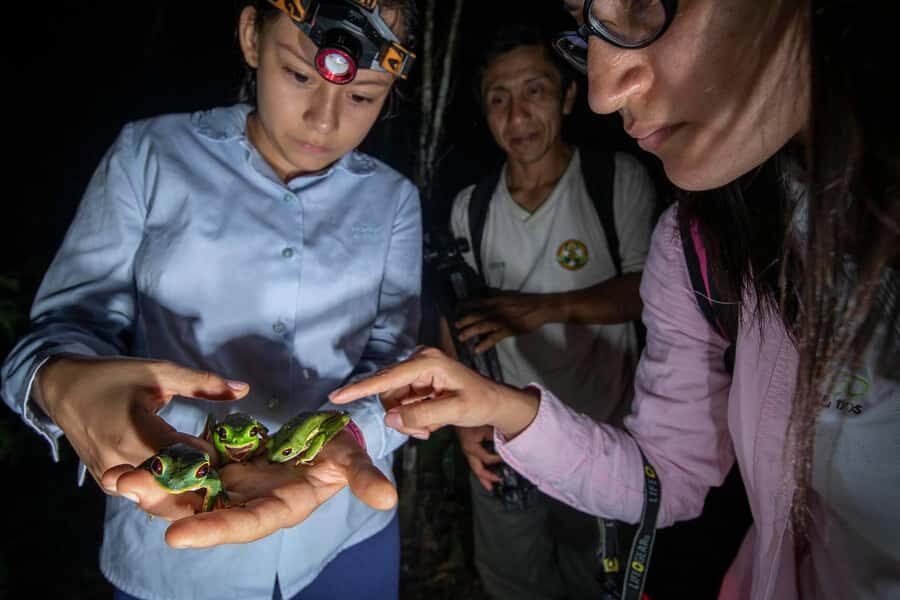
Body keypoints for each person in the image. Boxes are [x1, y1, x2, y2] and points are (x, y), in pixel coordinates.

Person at [330, 1, 900, 599]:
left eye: (644, 5)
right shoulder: (697, 240)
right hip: (545, 450)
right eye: (587, 33)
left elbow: (633, 298)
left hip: (603, 413)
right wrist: (487, 407)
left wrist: (539, 311)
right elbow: (666, 473)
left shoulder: (618, 185)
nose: (606, 92)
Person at [0, 1, 421, 598]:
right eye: (299, 75)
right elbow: (61, 328)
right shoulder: (149, 155)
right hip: (174, 527)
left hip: (344, 528)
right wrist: (62, 381)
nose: (324, 120)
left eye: (361, 96)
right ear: (251, 36)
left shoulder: (393, 198)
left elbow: (395, 358)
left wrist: (355, 433)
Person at [441, 22, 656, 599]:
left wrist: (541, 309)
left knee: (598, 579)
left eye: (535, 91)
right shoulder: (471, 208)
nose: (517, 116)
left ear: (567, 96)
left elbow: (648, 292)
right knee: (513, 580)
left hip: (606, 434)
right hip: (507, 441)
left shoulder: (615, 181)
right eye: (498, 99)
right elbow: (457, 318)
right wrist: (466, 422)